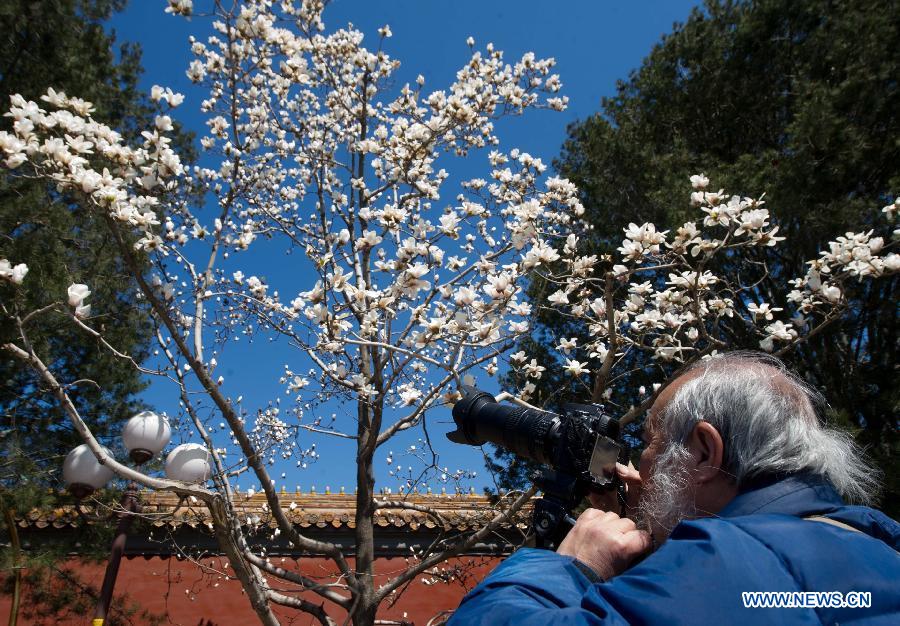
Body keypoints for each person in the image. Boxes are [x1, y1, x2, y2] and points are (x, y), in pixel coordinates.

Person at [449, 352, 900, 625]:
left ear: (703, 453)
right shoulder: (876, 543)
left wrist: (573, 567)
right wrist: (664, 529)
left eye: (650, 443)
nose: (638, 464)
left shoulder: (719, 565)